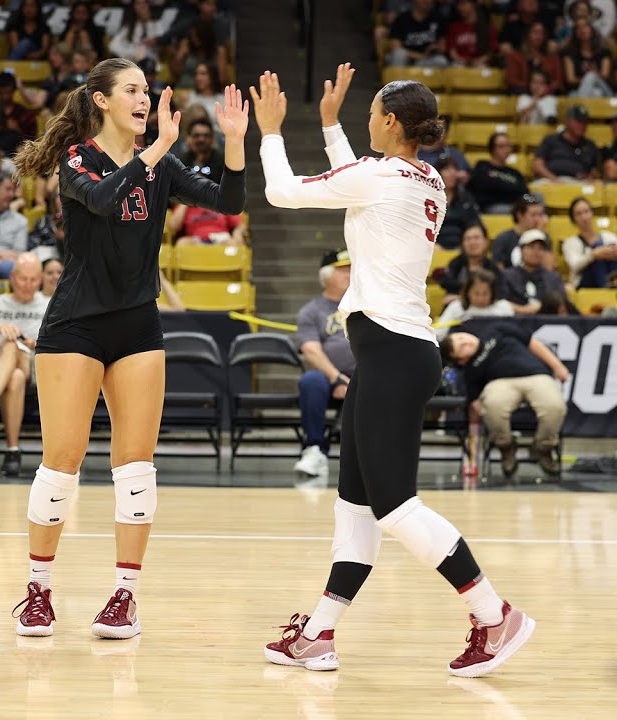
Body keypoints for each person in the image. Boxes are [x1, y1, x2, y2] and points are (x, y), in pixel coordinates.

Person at [252, 63, 535, 676]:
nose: (365, 120)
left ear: (389, 122)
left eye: (370, 113)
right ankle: (319, 635)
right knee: (354, 505)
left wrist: (271, 132)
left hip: (392, 352)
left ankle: (494, 614)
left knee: (395, 506)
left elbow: (283, 192)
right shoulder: (423, 174)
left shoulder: (380, 176)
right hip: (398, 352)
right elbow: (362, 181)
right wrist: (329, 127)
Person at [8, 58, 247, 639]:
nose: (145, 99)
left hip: (138, 325)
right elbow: (107, 200)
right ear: (102, 102)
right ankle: (38, 591)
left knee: (136, 468)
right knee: (61, 463)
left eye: (148, 90)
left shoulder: (159, 160)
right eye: (133, 91)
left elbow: (229, 201)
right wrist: (156, 148)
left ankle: (124, 597)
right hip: (75, 326)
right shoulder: (77, 160)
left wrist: (234, 143)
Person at [440, 322, 570, 477]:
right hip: (500, 382)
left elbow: (532, 342)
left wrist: (557, 366)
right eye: (461, 347)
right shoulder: (471, 370)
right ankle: (506, 447)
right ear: (461, 360)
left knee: (554, 406)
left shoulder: (495, 329)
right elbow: (474, 404)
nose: (466, 341)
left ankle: (542, 448)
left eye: (461, 337)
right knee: (493, 406)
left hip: (536, 374)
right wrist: (477, 417)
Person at [0, 254, 50, 477]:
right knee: (13, 370)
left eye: (34, 280)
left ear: (40, 280)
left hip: (33, 363)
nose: (28, 285)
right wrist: (1, 327)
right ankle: (12, 451)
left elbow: (58, 340)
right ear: (13, 278)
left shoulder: (48, 305)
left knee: (15, 347)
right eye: (23, 279)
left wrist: (34, 343)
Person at [293, 249, 356, 478]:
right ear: (326, 275)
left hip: (364, 375)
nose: (351, 274)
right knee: (311, 380)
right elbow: (311, 350)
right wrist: (337, 379)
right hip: (328, 377)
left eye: (352, 269)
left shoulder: (366, 306)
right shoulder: (312, 311)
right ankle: (314, 450)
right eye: (344, 270)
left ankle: (378, 455)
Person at [436, 268, 516, 335]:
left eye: (485, 294)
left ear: (493, 293)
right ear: (468, 292)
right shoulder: (456, 307)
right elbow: (440, 334)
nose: (480, 298)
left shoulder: (504, 307)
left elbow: (514, 332)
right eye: (476, 293)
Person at [532, 104, 600, 182]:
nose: (582, 125)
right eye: (578, 122)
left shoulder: (590, 145)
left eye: (585, 122)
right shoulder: (551, 140)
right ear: (567, 121)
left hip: (577, 183)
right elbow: (537, 166)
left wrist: (589, 178)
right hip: (550, 180)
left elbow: (593, 171)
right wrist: (556, 180)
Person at [503, 229, 567, 312]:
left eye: (540, 248)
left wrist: (541, 307)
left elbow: (560, 303)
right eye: (531, 247)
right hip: (514, 321)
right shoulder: (507, 275)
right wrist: (523, 310)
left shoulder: (554, 278)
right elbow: (500, 302)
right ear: (521, 250)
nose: (536, 252)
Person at [561, 197, 617, 287]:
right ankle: (606, 289)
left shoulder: (608, 236)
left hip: (610, 274)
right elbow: (575, 266)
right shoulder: (569, 243)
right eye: (578, 214)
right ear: (574, 219)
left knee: (611, 245)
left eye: (586, 212)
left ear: (592, 213)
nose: (584, 217)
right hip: (584, 282)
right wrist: (593, 255)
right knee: (597, 253)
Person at [468, 132, 529, 214]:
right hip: (492, 206)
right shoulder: (483, 166)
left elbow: (524, 190)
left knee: (537, 198)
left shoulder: (514, 172)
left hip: (515, 205)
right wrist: (511, 189)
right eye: (502, 146)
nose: (507, 150)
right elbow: (484, 188)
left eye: (508, 146)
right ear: (493, 148)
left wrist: (501, 188)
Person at [491, 193, 547, 270]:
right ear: (520, 215)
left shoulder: (543, 237)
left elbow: (548, 268)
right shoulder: (504, 239)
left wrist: (538, 234)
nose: (538, 219)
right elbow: (498, 267)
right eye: (533, 215)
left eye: (540, 215)